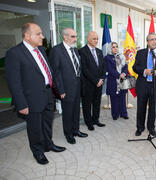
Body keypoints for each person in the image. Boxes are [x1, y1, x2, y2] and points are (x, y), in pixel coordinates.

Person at [5, 23, 66, 165]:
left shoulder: (41, 50)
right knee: (34, 127)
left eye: (41, 33)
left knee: (46, 123)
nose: (42, 37)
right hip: (30, 98)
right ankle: (38, 152)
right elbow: (14, 82)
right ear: (27, 36)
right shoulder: (14, 53)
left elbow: (48, 71)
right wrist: (21, 104)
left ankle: (48, 144)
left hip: (47, 94)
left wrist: (55, 90)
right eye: (38, 34)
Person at [49, 28, 88, 144]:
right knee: (67, 112)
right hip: (65, 88)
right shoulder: (56, 51)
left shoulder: (75, 50)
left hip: (77, 86)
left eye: (76, 36)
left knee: (76, 110)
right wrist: (60, 90)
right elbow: (55, 73)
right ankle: (68, 134)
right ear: (65, 37)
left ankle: (76, 130)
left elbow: (78, 69)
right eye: (73, 37)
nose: (76, 39)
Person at [133, 32, 156, 136]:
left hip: (155, 85)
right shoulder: (140, 53)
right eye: (152, 39)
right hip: (143, 85)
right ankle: (140, 128)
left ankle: (151, 127)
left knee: (153, 109)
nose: (155, 41)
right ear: (147, 42)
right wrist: (144, 71)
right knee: (141, 108)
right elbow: (135, 67)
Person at [79, 31, 106, 131]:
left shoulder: (99, 51)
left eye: (97, 39)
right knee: (87, 104)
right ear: (88, 39)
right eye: (94, 39)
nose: (96, 41)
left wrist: (102, 79)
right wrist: (96, 81)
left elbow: (103, 66)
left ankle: (96, 120)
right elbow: (84, 69)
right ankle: (88, 122)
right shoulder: (82, 51)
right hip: (88, 84)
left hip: (99, 83)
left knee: (97, 102)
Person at [105, 42, 129, 120]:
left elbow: (125, 66)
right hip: (113, 80)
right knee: (114, 98)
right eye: (113, 47)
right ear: (110, 49)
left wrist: (124, 73)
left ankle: (123, 113)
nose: (115, 48)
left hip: (122, 80)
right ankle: (115, 114)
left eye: (116, 47)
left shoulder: (121, 56)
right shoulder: (107, 58)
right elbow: (109, 69)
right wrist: (119, 75)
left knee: (122, 97)